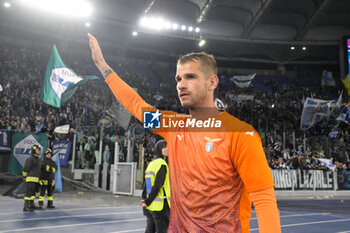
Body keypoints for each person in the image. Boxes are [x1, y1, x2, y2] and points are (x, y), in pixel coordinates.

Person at [88, 33, 281, 232]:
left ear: (212, 82)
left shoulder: (241, 134)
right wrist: (103, 67)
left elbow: (264, 201)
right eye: (178, 78)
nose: (181, 84)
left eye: (190, 77)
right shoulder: (174, 125)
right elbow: (136, 105)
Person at [140, 140, 170, 233]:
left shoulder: (151, 164)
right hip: (161, 206)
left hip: (151, 206)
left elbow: (147, 184)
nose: (167, 149)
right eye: (164, 147)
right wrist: (147, 201)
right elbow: (157, 186)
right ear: (158, 149)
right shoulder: (162, 164)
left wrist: (145, 200)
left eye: (168, 147)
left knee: (149, 231)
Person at [22, 144, 42, 211]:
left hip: (36, 179)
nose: (38, 151)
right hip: (30, 179)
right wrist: (24, 176)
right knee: (29, 193)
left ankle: (31, 204)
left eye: (39, 150)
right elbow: (26, 169)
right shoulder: (30, 159)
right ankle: (26, 206)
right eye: (37, 150)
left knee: (33, 194)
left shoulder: (37, 160)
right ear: (33, 151)